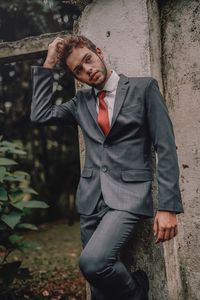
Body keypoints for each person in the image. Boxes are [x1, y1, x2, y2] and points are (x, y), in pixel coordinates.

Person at [31, 35, 184, 300]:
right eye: (78, 70)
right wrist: (49, 62)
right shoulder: (80, 103)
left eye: (87, 60)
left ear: (98, 52)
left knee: (93, 263)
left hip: (128, 197)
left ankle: (138, 291)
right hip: (91, 200)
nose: (87, 70)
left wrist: (168, 207)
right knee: (100, 290)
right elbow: (40, 114)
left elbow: (166, 148)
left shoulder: (143, 88)